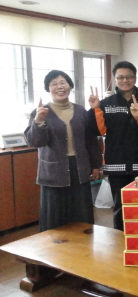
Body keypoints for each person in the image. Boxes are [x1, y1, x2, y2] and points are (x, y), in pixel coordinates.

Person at [25, 70, 102, 231]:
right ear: (48, 88)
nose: (59, 87)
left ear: (70, 86)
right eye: (54, 84)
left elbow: (91, 140)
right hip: (53, 173)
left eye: (63, 83)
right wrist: (38, 121)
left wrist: (96, 165)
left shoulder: (80, 111)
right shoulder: (40, 112)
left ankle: (82, 246)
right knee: (55, 219)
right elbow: (35, 142)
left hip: (80, 169)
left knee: (81, 216)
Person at [88, 61, 138, 231]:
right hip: (116, 164)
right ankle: (120, 240)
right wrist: (96, 109)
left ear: (135, 78)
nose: (125, 80)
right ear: (115, 80)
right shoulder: (106, 103)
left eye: (129, 77)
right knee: (120, 207)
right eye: (120, 77)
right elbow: (99, 131)